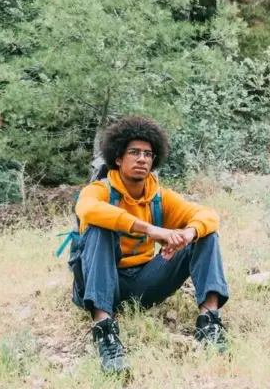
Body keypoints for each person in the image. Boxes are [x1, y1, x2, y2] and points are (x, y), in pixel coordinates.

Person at [66, 116, 230, 373]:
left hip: (143, 282)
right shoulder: (99, 190)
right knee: (100, 228)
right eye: (134, 152)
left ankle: (209, 321)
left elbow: (209, 215)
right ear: (118, 158)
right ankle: (104, 330)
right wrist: (151, 229)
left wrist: (188, 234)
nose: (142, 159)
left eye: (148, 154)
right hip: (99, 282)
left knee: (205, 233)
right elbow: (87, 209)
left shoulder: (158, 197)